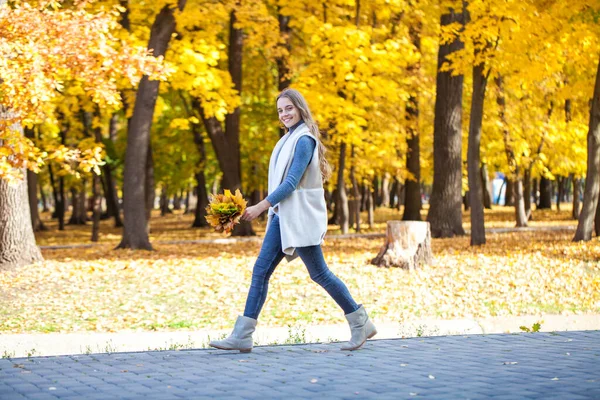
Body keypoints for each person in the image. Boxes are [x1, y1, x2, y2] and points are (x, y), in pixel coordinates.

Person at [209, 88, 376, 353]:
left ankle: (360, 322)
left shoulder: (303, 140)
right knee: (262, 270)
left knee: (319, 273)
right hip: (283, 216)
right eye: (280, 110)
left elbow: (290, 182)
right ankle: (242, 335)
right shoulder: (287, 139)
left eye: (289, 108)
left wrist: (262, 206)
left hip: (298, 217)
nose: (284, 114)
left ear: (299, 108)